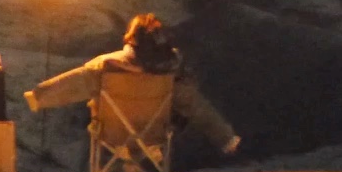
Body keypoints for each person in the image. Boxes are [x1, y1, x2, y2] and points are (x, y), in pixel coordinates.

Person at [23, 13, 241, 155]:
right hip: (153, 134)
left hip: (112, 132)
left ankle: (125, 163)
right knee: (183, 102)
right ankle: (138, 162)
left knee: (95, 97)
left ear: (131, 38)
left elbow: (73, 83)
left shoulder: (108, 65)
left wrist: (38, 96)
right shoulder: (171, 72)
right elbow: (198, 108)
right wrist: (226, 138)